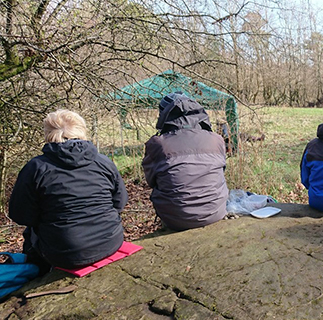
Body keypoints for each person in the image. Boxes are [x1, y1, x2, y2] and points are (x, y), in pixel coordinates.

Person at [9, 110, 128, 269]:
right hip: (110, 241)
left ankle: (36, 274)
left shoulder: (36, 168)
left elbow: (21, 215)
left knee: (30, 234)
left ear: (49, 134)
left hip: (65, 253)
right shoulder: (104, 162)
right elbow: (120, 202)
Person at [142, 93, 228, 231]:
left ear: (163, 115)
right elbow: (221, 173)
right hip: (215, 212)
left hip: (175, 219)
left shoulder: (158, 144)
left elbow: (151, 181)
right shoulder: (216, 139)